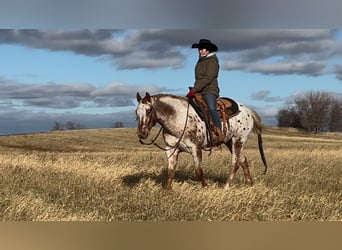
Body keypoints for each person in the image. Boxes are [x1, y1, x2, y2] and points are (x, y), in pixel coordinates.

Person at [187, 39, 222, 144]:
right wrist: (195, 89)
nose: (200, 51)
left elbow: (208, 78)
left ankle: (219, 131)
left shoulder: (213, 61)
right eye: (199, 49)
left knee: (211, 108)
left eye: (202, 49)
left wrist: (195, 89)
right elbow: (199, 78)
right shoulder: (200, 61)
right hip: (199, 90)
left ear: (208, 50)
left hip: (210, 90)